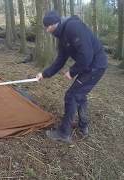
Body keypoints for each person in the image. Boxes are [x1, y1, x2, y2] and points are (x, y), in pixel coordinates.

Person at [36, 11, 108, 143]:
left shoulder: (73, 27)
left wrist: (72, 71)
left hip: (96, 66)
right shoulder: (62, 37)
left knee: (72, 95)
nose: (46, 30)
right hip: (88, 66)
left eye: (47, 27)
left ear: (54, 23)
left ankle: (64, 133)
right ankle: (83, 126)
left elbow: (87, 55)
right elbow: (60, 60)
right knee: (79, 94)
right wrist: (44, 74)